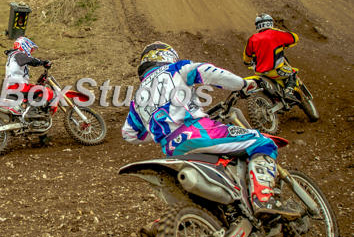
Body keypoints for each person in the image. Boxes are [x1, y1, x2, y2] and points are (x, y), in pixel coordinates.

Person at [122, 41, 300, 219]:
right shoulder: (175, 69)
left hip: (173, 148)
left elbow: (129, 134)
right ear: (166, 55)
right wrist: (242, 84)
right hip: (200, 132)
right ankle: (263, 200)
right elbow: (207, 71)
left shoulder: (137, 98)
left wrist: (160, 130)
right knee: (262, 142)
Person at [243, 14, 299, 99]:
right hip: (275, 71)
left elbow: (247, 57)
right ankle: (289, 92)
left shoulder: (252, 39)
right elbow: (295, 38)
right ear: (270, 23)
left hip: (259, 72)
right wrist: (283, 43)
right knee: (293, 72)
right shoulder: (276, 33)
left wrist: (248, 62)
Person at [3, 36, 54, 116]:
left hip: (15, 86)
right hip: (17, 86)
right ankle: (32, 112)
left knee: (36, 90)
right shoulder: (18, 54)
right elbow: (31, 60)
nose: (30, 51)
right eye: (30, 49)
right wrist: (43, 62)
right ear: (24, 46)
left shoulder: (14, 55)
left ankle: (30, 110)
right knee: (46, 91)